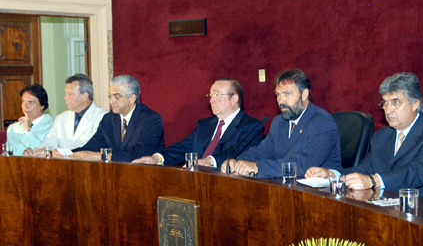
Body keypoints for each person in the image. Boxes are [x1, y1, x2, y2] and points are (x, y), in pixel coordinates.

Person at [306, 72, 423, 199]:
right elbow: (365, 168)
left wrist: (372, 181)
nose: (388, 110)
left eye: (396, 102)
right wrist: (332, 175)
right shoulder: (382, 136)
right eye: (385, 103)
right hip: (387, 208)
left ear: (415, 104)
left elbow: (415, 172)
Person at [223, 69, 341, 178]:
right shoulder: (279, 122)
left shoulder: (323, 123)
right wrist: (238, 162)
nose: (281, 101)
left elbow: (303, 165)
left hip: (319, 192)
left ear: (304, 94)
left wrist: (258, 167)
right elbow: (262, 151)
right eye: (278, 95)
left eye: (287, 94)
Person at [132, 79, 265, 169]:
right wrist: (156, 158)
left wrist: (209, 161)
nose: (212, 100)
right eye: (211, 95)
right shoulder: (205, 124)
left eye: (217, 95)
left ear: (234, 99)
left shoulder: (251, 126)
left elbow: (236, 153)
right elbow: (183, 147)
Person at [69, 74, 164, 162]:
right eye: (109, 96)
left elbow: (138, 154)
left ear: (132, 98)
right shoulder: (108, 119)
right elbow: (91, 147)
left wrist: (103, 156)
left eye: (116, 97)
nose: (111, 101)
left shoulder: (151, 119)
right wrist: (66, 153)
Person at [24, 74, 107, 157]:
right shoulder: (61, 118)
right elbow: (50, 142)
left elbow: (86, 148)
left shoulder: (103, 117)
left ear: (84, 96)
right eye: (65, 93)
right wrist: (35, 151)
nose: (65, 98)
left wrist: (53, 153)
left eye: (69, 94)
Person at [5, 84, 54, 155]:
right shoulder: (13, 128)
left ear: (42, 105)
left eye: (30, 102)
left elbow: (44, 154)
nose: (25, 106)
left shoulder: (53, 126)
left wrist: (28, 131)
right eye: (23, 101)